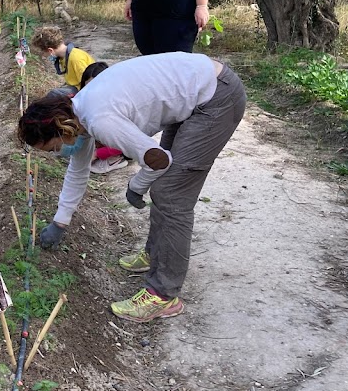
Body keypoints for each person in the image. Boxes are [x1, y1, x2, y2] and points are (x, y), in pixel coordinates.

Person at [17, 52, 246, 322]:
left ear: (60, 127)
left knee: (170, 194)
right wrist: (60, 222)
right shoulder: (79, 112)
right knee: (163, 186)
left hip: (216, 97)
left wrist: (135, 186)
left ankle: (163, 294)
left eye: (53, 148)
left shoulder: (100, 120)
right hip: (197, 90)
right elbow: (78, 172)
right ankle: (156, 255)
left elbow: (158, 161)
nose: (57, 153)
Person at [77, 62, 129, 175]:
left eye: (96, 87)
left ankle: (115, 159)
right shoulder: (82, 103)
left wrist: (96, 154)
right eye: (87, 87)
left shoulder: (119, 107)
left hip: (119, 145)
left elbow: (124, 142)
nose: (91, 92)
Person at [31, 26, 95, 97]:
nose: (44, 56)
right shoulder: (64, 57)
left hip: (86, 90)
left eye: (43, 53)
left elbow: (90, 84)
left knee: (54, 94)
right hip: (77, 86)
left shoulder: (75, 58)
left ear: (50, 50)